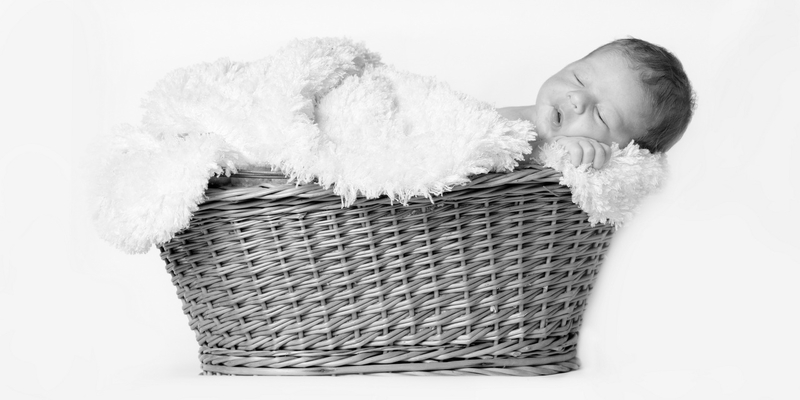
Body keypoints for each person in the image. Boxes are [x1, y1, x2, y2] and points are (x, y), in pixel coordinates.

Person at [498, 37, 696, 170]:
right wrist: (544, 148)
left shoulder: (592, 168)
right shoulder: (503, 122)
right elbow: (488, 155)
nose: (578, 98)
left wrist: (563, 156)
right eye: (578, 78)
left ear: (626, 152)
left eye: (601, 116)